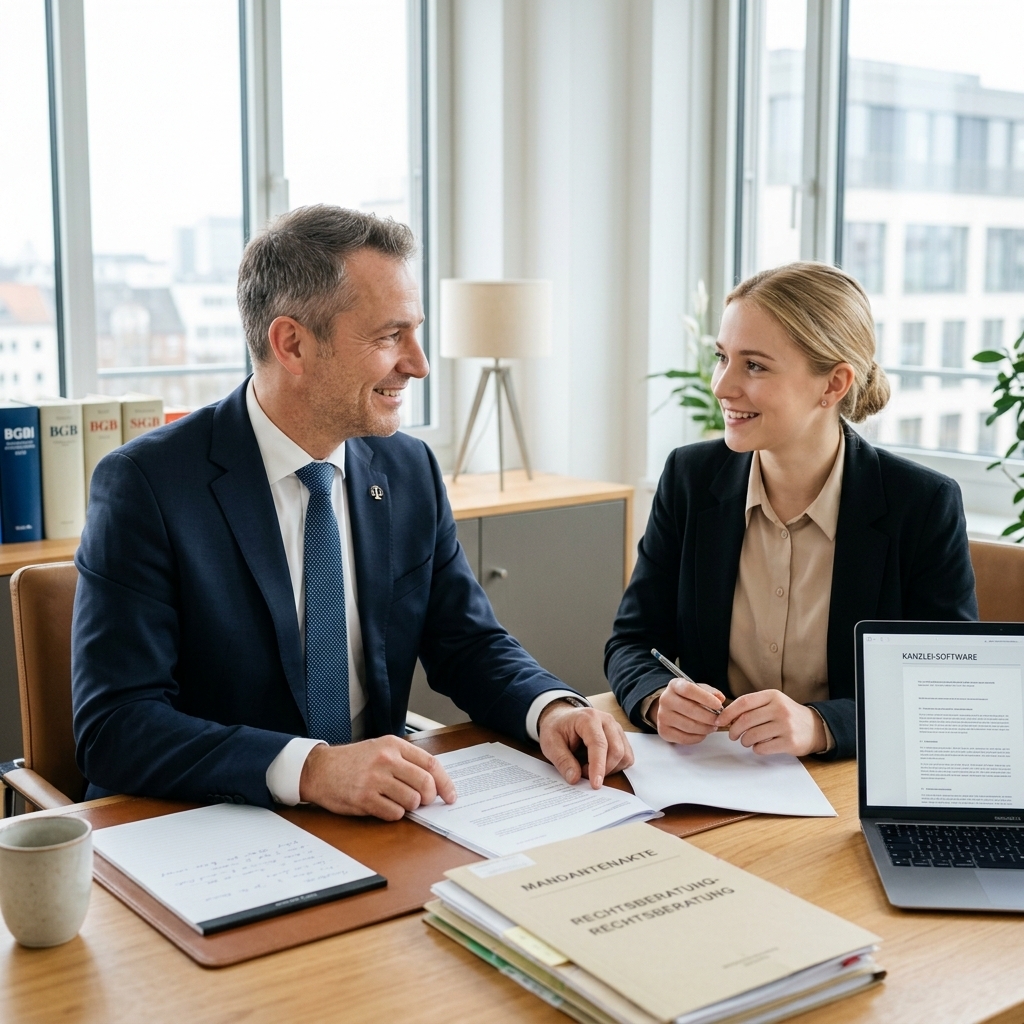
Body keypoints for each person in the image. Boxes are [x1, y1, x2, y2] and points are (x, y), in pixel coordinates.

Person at [72, 205, 632, 820]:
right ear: (292, 344)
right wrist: (311, 769)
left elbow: (467, 643)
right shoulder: (147, 485)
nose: (418, 363)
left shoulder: (408, 468)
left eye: (415, 332)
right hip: (210, 822)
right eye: (390, 337)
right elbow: (115, 726)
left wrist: (549, 708)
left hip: (377, 820)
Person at [606, 261, 977, 759]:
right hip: (712, 770)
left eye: (754, 366)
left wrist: (821, 725)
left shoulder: (922, 504)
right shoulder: (689, 479)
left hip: (846, 779)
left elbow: (947, 687)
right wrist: (656, 698)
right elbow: (633, 641)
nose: (722, 386)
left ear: (833, 384)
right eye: (722, 357)